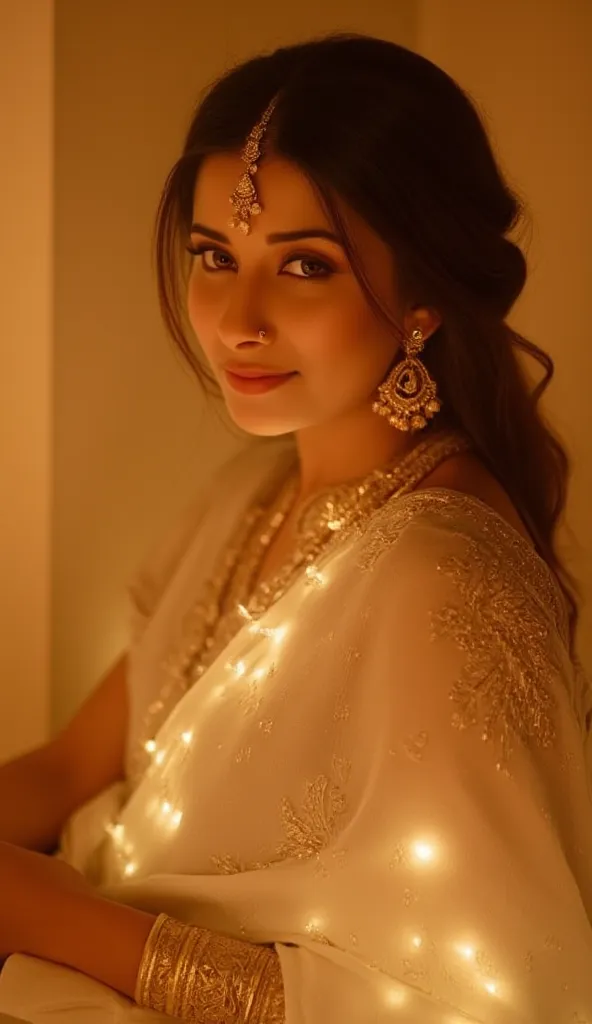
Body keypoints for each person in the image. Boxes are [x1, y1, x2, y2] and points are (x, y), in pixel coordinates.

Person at [0, 30, 591, 1024]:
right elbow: (69, 768)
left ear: (428, 293)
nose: (238, 318)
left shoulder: (439, 579)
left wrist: (52, 918)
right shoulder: (251, 490)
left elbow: (473, 1005)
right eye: (212, 255)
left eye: (305, 266)